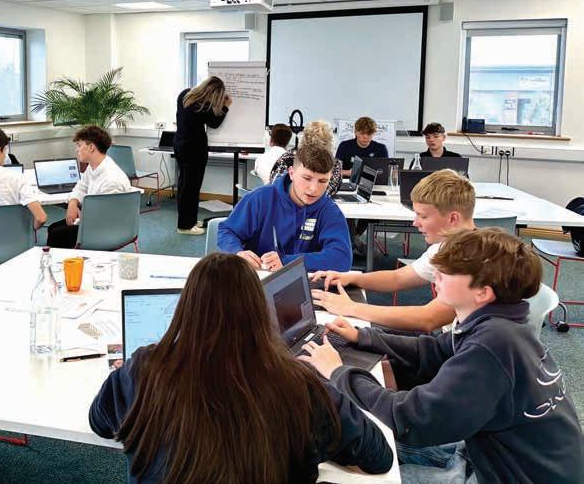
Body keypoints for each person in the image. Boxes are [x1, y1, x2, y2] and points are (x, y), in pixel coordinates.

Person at [302, 229, 584, 483]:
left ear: (482, 293)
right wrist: (362, 337)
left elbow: (411, 419)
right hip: (491, 451)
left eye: (446, 273)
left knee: (359, 464)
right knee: (364, 441)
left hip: (508, 474)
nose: (436, 276)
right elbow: (435, 350)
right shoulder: (501, 323)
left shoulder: (491, 346)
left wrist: (339, 373)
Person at [89, 253, 393, 483]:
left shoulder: (143, 370)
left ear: (185, 308)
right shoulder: (300, 387)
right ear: (261, 313)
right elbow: (378, 457)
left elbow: (99, 422)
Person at [311, 170, 475, 332]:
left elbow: (428, 318)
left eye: (423, 216)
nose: (415, 223)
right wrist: (350, 278)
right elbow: (398, 278)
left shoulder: (471, 260)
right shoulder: (446, 247)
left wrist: (351, 308)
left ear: (453, 218)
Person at [218, 144, 351, 273]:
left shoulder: (329, 211)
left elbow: (342, 258)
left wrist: (287, 262)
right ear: (291, 173)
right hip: (257, 276)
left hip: (301, 279)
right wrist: (237, 252)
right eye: (307, 178)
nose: (313, 189)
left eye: (322, 181)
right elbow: (227, 231)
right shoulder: (260, 198)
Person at [46, 125, 132, 248]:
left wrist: (80, 218)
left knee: (57, 234)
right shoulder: (94, 166)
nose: (77, 150)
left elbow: (106, 218)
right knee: (53, 228)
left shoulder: (112, 180)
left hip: (106, 228)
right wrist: (73, 203)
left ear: (91, 147)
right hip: (94, 219)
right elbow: (81, 187)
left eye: (79, 145)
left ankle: (64, 260)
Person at [173, 76, 232, 235]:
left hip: (180, 145)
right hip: (194, 149)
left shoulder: (185, 94)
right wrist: (225, 107)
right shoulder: (202, 106)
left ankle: (189, 220)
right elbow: (214, 123)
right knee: (191, 188)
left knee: (184, 186)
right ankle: (185, 226)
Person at [269, 120, 343, 197]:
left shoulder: (287, 158)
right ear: (330, 142)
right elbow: (329, 191)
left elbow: (275, 188)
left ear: (304, 138)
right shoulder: (334, 164)